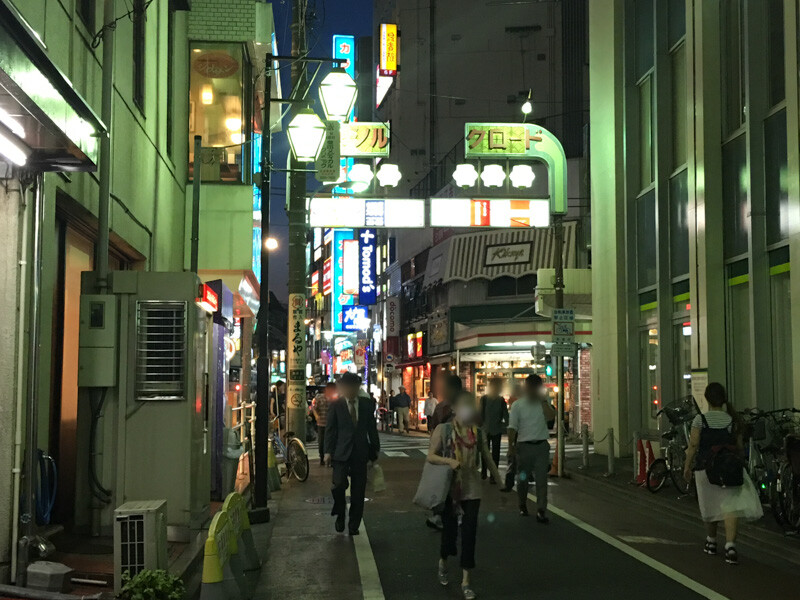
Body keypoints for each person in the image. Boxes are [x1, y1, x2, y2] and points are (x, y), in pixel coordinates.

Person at [427, 392, 502, 600]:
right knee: (449, 533)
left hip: (472, 488)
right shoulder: (444, 430)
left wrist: (501, 482)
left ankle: (466, 581)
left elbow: (487, 457)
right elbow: (431, 456)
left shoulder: (477, 433)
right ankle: (443, 560)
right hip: (450, 488)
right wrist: (449, 462)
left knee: (470, 533)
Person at [683, 382, 762, 565]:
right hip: (729, 468)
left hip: (705, 468)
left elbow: (693, 445)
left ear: (707, 398)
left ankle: (711, 542)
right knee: (730, 507)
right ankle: (730, 546)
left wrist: (687, 466)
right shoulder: (733, 420)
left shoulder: (700, 420)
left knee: (709, 504)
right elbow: (740, 447)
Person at [324, 373, 380, 535]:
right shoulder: (336, 404)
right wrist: (328, 452)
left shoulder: (366, 404)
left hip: (360, 452)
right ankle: (340, 513)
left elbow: (371, 429)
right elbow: (330, 429)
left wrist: (375, 449)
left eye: (353, 387)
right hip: (340, 452)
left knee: (358, 491)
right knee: (339, 485)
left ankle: (354, 524)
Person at [507, 374, 555, 521]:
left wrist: (543, 401)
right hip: (524, 447)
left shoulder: (544, 403)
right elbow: (512, 428)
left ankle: (541, 509)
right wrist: (511, 446)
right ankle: (522, 504)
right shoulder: (518, 405)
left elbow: (551, 417)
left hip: (541, 446)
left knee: (541, 479)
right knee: (522, 479)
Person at [425, 374, 462, 530]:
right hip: (462, 451)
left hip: (444, 452)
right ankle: (456, 513)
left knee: (442, 485)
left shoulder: (442, 407)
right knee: (458, 485)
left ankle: (440, 515)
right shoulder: (465, 406)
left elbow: (434, 428)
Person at [479, 378, 508, 483]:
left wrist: (506, 426)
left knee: (495, 453)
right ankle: (484, 471)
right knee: (485, 452)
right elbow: (480, 414)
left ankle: (493, 475)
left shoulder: (501, 400)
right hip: (486, 430)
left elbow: (506, 415)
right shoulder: (484, 399)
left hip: (495, 429)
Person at [312, 382, 337, 466]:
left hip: (333, 425)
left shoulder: (336, 399)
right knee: (321, 442)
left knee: (332, 441)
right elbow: (314, 408)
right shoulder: (320, 398)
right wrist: (316, 416)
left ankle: (331, 458)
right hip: (321, 424)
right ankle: (322, 458)